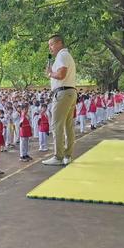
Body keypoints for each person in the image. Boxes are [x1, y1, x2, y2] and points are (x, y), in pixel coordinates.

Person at [43, 35, 77, 166]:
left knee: (57, 125)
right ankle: (67, 155)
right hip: (69, 92)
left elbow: (61, 74)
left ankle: (58, 156)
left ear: (59, 43)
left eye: (51, 44)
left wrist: (51, 73)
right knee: (68, 125)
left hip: (62, 93)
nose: (50, 48)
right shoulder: (66, 56)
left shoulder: (62, 56)